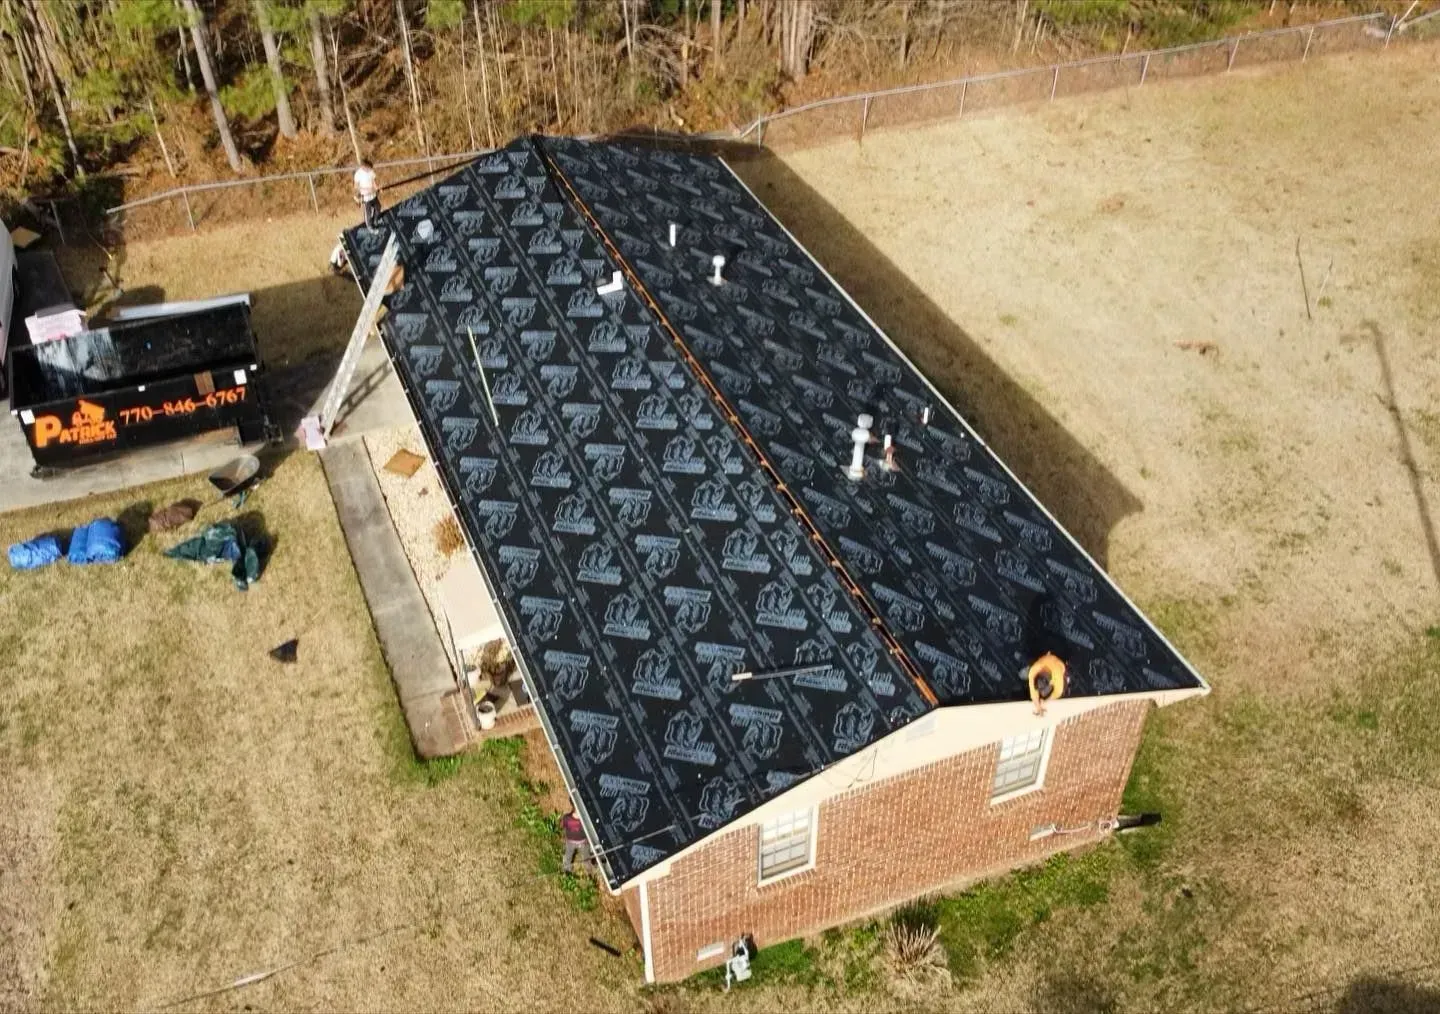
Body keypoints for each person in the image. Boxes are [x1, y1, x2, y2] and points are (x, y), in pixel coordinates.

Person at [560, 808, 590, 874]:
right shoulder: (567, 818)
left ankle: (589, 870)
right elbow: (562, 825)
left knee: (586, 856)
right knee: (569, 856)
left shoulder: (567, 818)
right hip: (576, 842)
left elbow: (561, 826)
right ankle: (567, 870)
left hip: (579, 842)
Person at [353, 160, 380, 229]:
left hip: (373, 195)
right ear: (364, 167)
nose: (370, 170)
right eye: (368, 169)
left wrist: (377, 188)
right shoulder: (358, 174)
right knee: (368, 213)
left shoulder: (371, 171)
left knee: (378, 207)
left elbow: (373, 181)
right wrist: (367, 189)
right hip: (366, 197)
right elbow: (356, 187)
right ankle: (369, 226)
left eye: (370, 169)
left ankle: (375, 220)